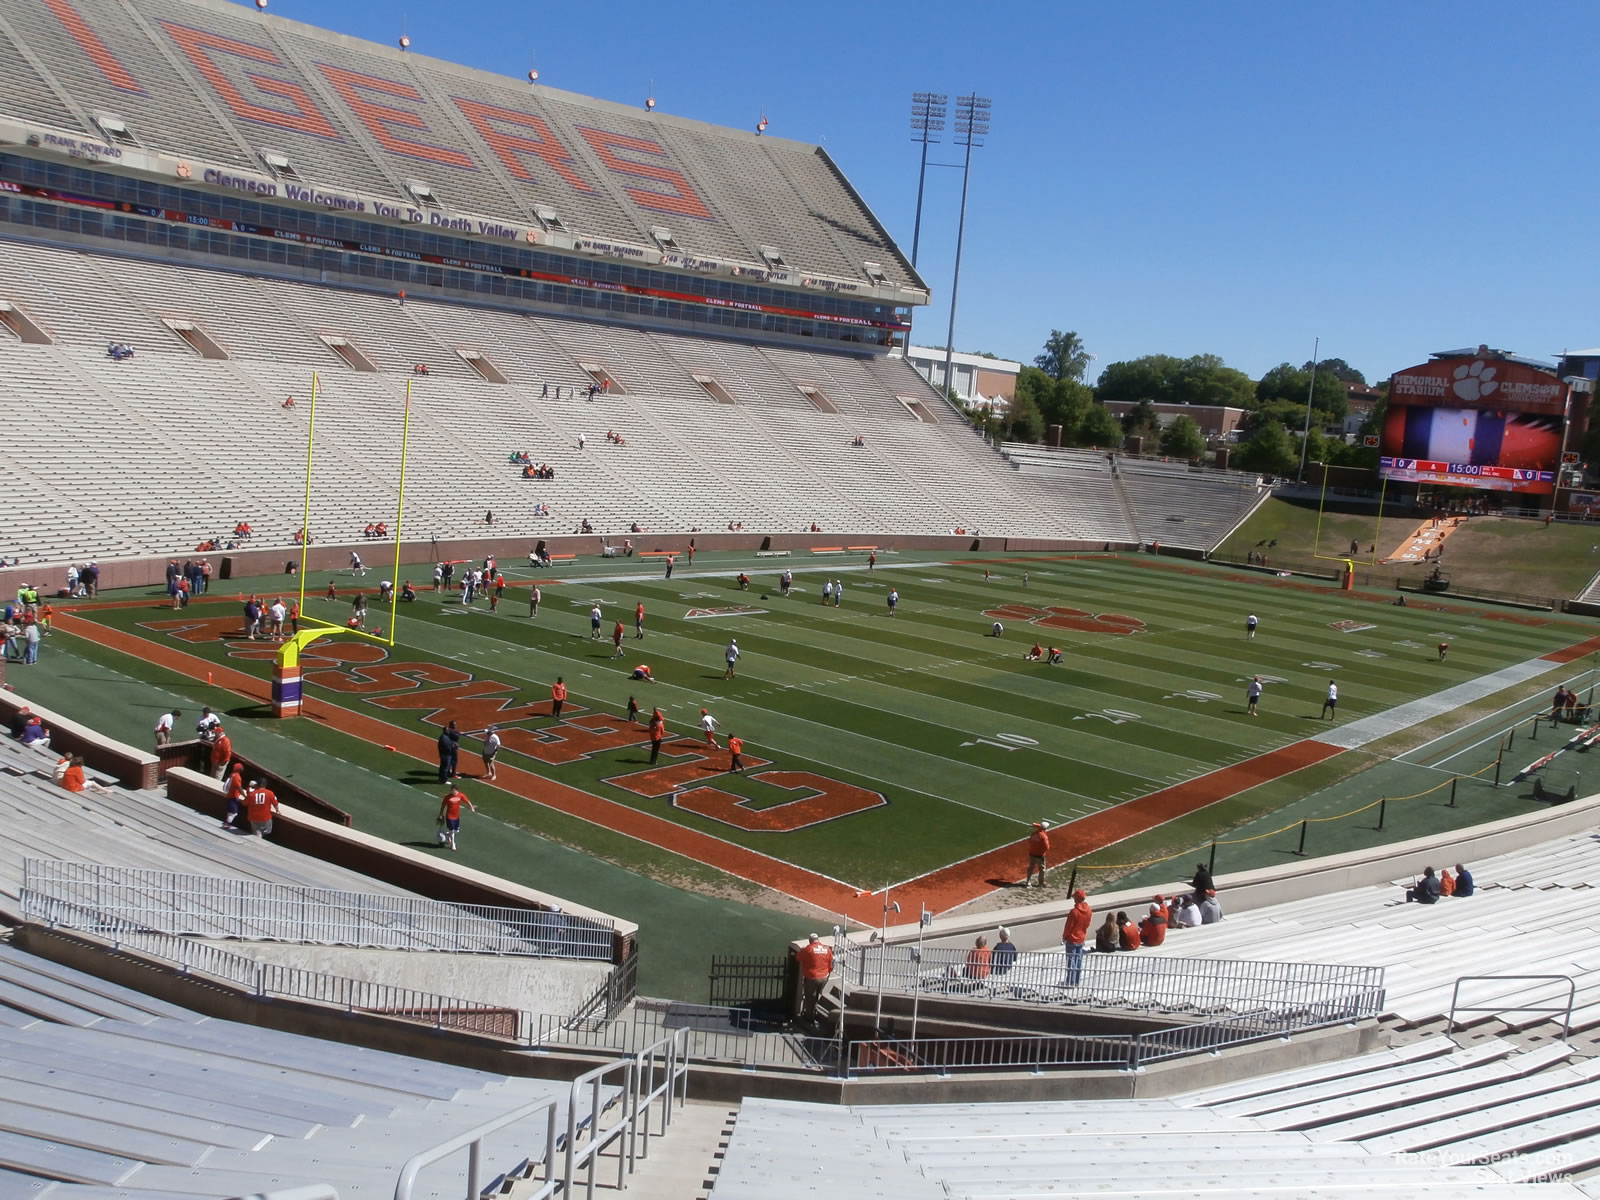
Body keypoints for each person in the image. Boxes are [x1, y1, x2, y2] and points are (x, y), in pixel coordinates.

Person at [797, 933, 832, 1024]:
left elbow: (798, 957)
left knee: (810, 997)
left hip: (812, 977)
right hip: (824, 977)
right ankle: (814, 1012)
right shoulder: (827, 949)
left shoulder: (808, 949)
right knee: (817, 996)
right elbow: (831, 963)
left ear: (810, 941)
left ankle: (809, 1017)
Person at [1062, 888, 1092, 985]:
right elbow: (1087, 924)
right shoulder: (1089, 910)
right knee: (1078, 960)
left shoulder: (1074, 912)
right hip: (1081, 938)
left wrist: (1065, 936)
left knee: (1071, 961)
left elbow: (1068, 927)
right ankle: (1076, 981)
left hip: (1072, 939)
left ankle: (1070, 981)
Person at [435, 785, 475, 851]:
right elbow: (443, 806)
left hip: (456, 816)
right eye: (451, 790)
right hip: (449, 816)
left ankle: (449, 836)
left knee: (456, 831)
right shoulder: (447, 797)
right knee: (452, 831)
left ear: (457, 790)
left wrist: (472, 808)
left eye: (453, 790)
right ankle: (453, 844)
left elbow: (467, 801)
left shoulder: (461, 795)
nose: (452, 791)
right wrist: (441, 814)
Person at [1026, 819, 1050, 888]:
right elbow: (1047, 847)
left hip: (1032, 853)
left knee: (1031, 868)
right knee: (1042, 869)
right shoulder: (1043, 836)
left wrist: (1034, 824)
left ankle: (1028, 882)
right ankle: (1040, 882)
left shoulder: (1034, 834)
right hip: (1040, 856)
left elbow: (1030, 840)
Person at [222, 762, 245, 828]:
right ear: (239, 769)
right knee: (234, 813)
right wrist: (244, 795)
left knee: (230, 812)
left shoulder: (232, 774)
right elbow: (239, 787)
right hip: (233, 796)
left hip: (229, 795)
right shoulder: (237, 777)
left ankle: (227, 823)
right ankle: (227, 824)